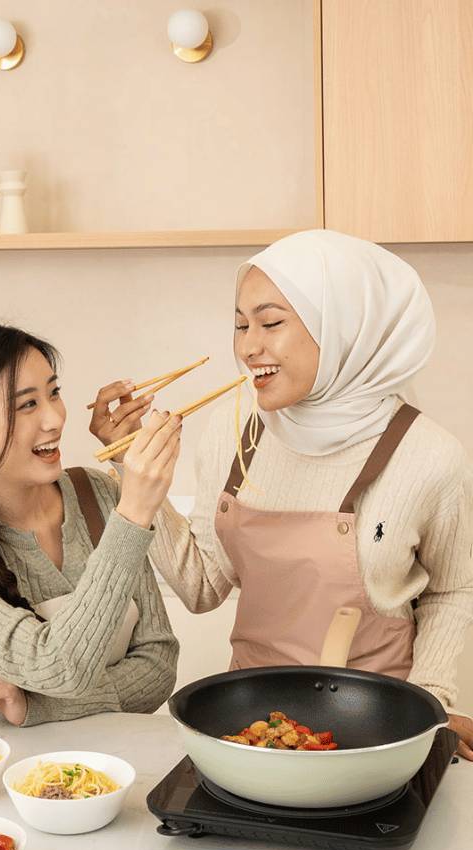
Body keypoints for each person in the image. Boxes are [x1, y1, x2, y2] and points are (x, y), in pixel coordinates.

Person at [90, 230, 473, 760]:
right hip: (251, 725)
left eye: (271, 323)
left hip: (379, 728)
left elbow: (453, 590)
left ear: (341, 326)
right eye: (241, 325)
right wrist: (128, 471)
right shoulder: (235, 430)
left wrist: (428, 709)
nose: (248, 346)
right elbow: (201, 586)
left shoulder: (429, 455)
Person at [0, 321, 181, 727]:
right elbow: (59, 665)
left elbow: (158, 666)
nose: (54, 419)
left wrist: (36, 705)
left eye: (54, 393)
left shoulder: (99, 495)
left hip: (104, 769)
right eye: (27, 405)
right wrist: (133, 515)